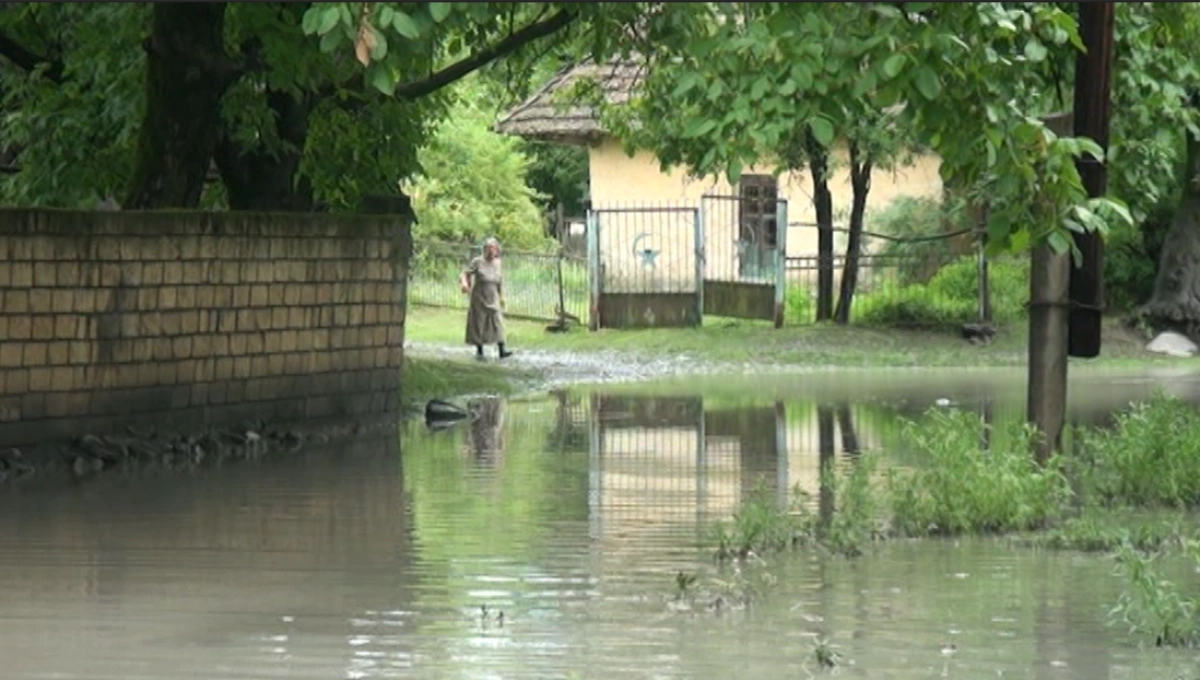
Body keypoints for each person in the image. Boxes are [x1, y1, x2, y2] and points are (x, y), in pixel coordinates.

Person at [459, 237, 513, 359]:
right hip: (479, 297)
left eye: (493, 248)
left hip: (492, 296)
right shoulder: (477, 262)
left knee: (497, 322)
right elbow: (465, 273)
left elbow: (499, 281)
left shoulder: (498, 263)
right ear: (484, 249)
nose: (491, 251)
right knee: (479, 323)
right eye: (488, 248)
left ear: (497, 250)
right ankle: (480, 350)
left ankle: (501, 350)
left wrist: (501, 296)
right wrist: (465, 284)